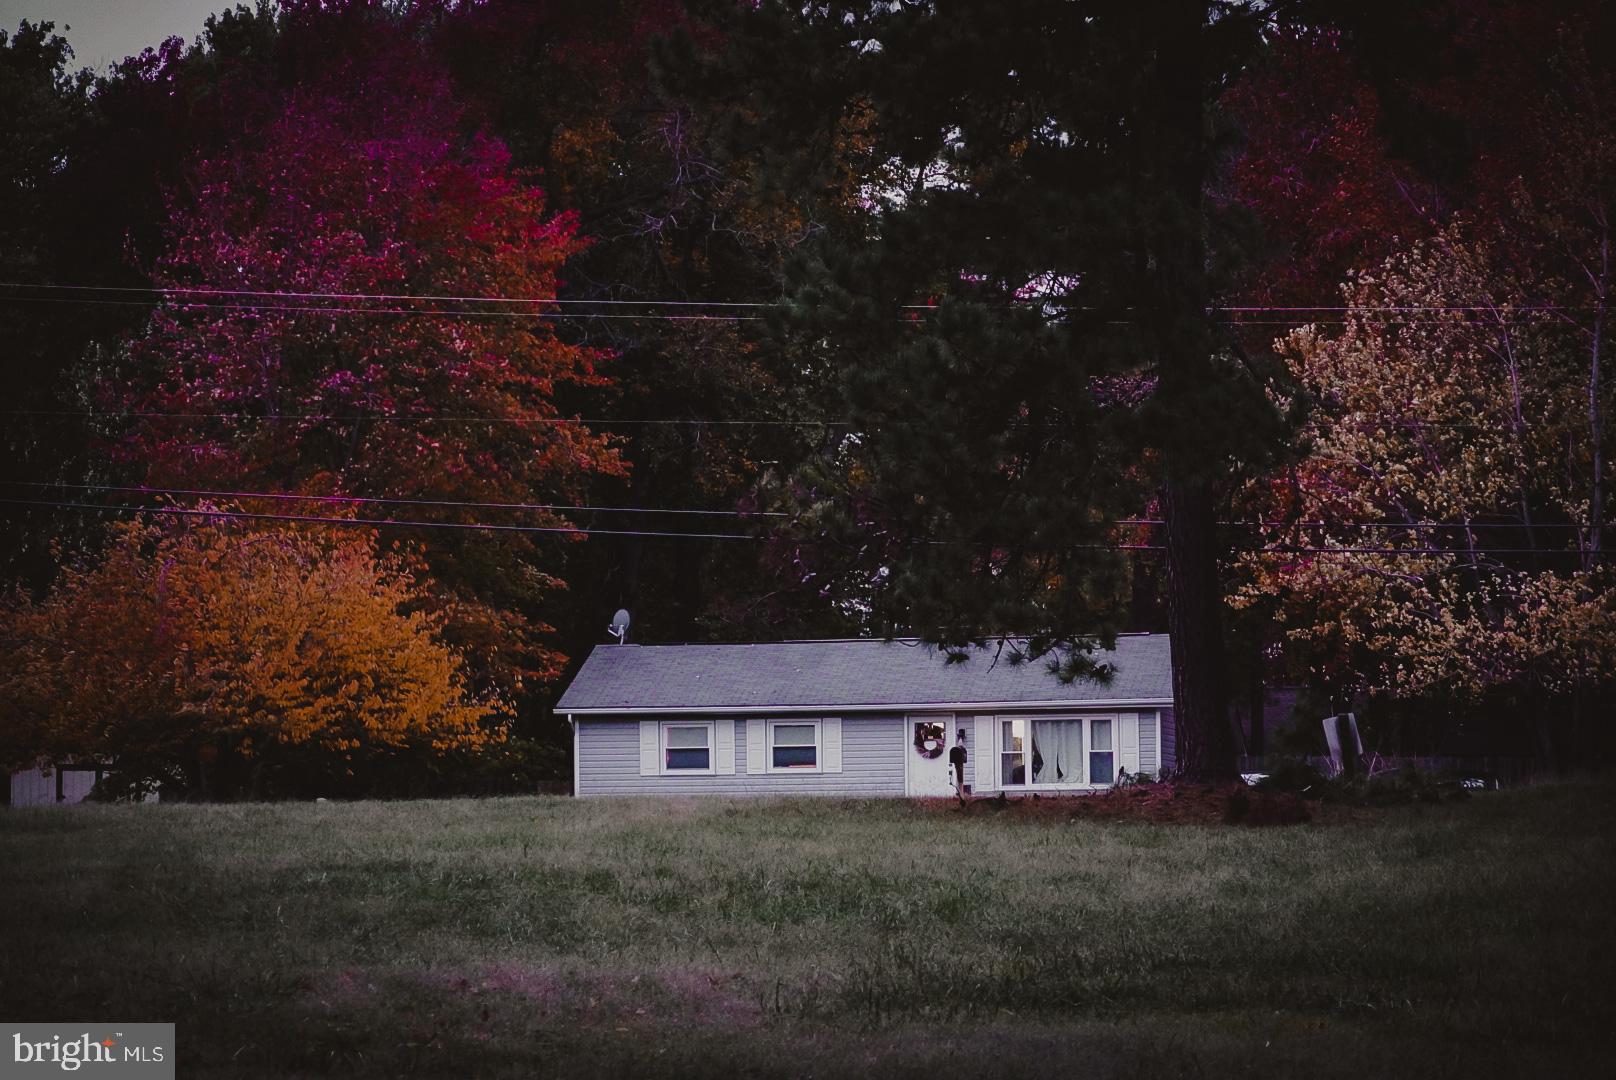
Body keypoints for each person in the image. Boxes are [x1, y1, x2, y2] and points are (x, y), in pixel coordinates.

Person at [949, 729, 969, 806]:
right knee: (960, 781)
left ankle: (962, 798)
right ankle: (961, 798)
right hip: (958, 764)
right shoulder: (958, 750)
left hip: (959, 765)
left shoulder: (960, 750)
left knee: (960, 781)